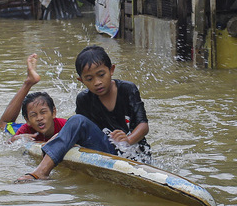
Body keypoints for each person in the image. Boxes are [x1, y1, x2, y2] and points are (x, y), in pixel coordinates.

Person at [18, 45, 149, 181]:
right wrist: (57, 141)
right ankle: (41, 172)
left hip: (134, 152)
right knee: (76, 120)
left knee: (75, 121)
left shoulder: (128, 89)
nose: (97, 82)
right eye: (89, 79)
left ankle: (41, 171)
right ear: (81, 80)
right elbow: (81, 130)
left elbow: (143, 126)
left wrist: (128, 140)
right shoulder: (84, 99)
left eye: (101, 75)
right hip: (107, 149)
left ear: (111, 70)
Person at [0, 54, 67, 142]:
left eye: (43, 112)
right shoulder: (26, 130)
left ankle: (29, 81)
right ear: (27, 120)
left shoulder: (65, 126)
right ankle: (28, 83)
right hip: (28, 130)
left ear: (53, 113)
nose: (39, 118)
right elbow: (5, 146)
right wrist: (13, 140)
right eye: (33, 115)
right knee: (3, 125)